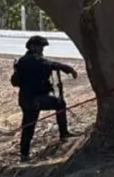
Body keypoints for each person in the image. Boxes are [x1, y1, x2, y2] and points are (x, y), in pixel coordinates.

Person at [11, 35, 79, 163]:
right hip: (33, 100)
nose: (42, 49)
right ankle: (63, 133)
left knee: (28, 127)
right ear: (32, 47)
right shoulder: (33, 59)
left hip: (26, 99)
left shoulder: (23, 61)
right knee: (58, 104)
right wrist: (68, 69)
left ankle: (24, 154)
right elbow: (50, 64)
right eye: (40, 47)